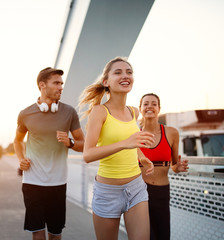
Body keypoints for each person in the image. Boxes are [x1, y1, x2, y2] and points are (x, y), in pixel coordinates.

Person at [78, 56, 155, 240]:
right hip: (107, 192)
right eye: (118, 72)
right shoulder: (99, 111)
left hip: (136, 187)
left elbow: (132, 142)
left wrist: (141, 156)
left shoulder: (133, 111)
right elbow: (88, 154)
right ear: (106, 82)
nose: (125, 75)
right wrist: (125, 143)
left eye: (129, 72)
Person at [14, 67, 85, 240]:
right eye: (56, 83)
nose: (61, 87)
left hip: (57, 183)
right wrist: (21, 159)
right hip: (32, 182)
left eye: (62, 83)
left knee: (55, 234)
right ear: (42, 85)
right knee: (38, 233)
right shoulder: (25, 114)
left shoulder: (69, 112)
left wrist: (70, 143)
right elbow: (17, 141)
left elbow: (83, 145)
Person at [138, 93, 189, 240]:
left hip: (162, 192)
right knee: (145, 235)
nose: (149, 107)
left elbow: (173, 164)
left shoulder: (171, 133)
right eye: (146, 104)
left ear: (159, 108)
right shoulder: (134, 134)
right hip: (139, 192)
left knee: (162, 235)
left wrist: (177, 168)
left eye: (154, 104)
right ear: (140, 108)